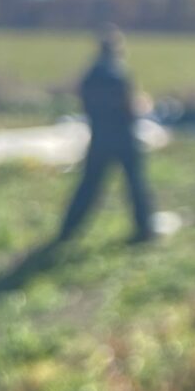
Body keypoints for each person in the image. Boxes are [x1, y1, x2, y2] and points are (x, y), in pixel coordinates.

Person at [57, 30, 154, 244]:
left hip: (99, 137)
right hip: (123, 138)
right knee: (135, 185)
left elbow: (81, 101)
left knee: (88, 186)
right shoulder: (119, 73)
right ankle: (145, 230)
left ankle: (67, 231)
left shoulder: (90, 75)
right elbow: (130, 107)